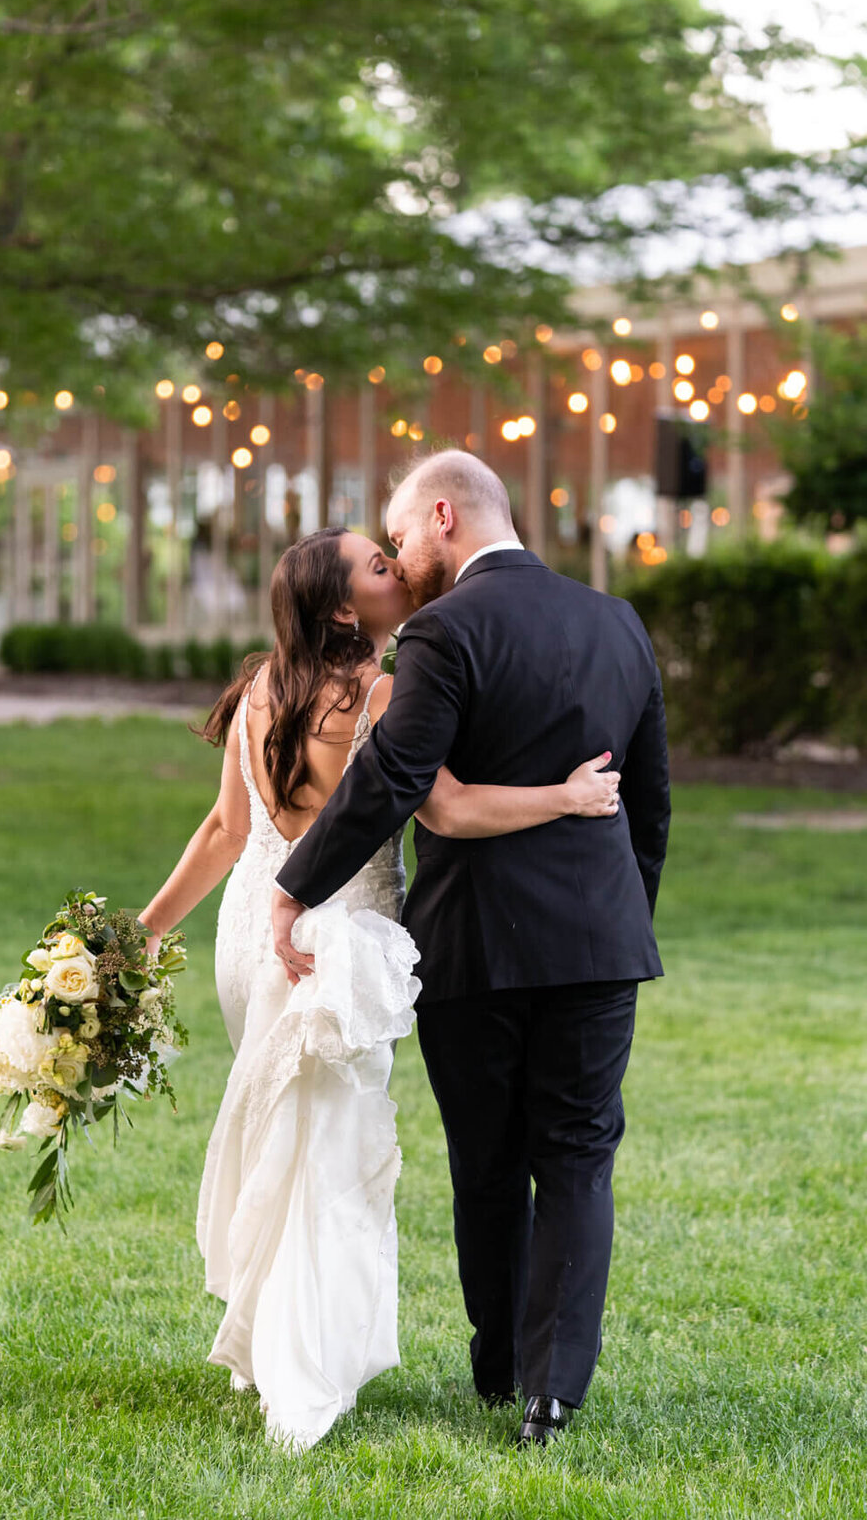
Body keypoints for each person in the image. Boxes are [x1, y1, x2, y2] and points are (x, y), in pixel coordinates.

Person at [139, 523, 623, 1451]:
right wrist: (568, 798)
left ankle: (262, 1346)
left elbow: (221, 832)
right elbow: (446, 808)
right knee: (326, 1152)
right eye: (377, 565)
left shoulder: (255, 693)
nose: (398, 569)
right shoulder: (380, 693)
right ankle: (301, 1366)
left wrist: (145, 931)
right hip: (340, 941)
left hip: (250, 936)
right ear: (341, 607)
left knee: (283, 1137)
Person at [271, 454, 670, 1449]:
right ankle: (552, 1393)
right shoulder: (618, 621)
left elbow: (399, 773)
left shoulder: (446, 628)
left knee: (488, 1163)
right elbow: (652, 799)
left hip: (474, 947)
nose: (400, 559)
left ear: (445, 515)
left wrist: (293, 882)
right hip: (597, 942)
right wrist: (625, 914)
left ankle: (501, 1370)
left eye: (402, 536)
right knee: (578, 1156)